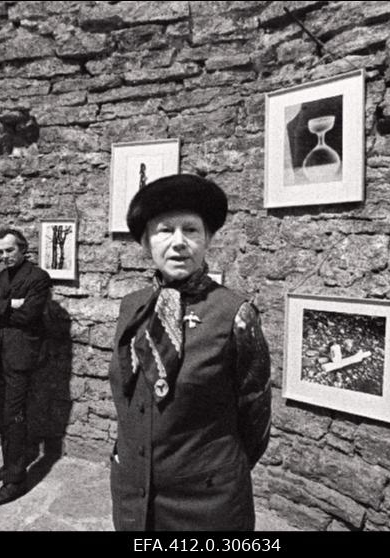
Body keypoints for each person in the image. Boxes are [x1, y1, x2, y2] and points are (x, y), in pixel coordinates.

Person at [109, 174, 272, 531]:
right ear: (145, 241)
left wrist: (215, 470)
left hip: (208, 503)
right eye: (165, 230)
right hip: (134, 493)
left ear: (208, 239)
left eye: (191, 230)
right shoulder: (131, 307)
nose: (178, 243)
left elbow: (255, 418)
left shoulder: (235, 314)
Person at [0, 228, 52, 507]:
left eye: (9, 250)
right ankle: (11, 465)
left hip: (20, 356)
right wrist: (11, 304)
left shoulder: (38, 278)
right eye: (0, 251)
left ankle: (16, 480)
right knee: (1, 415)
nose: (4, 256)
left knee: (14, 416)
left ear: (23, 249)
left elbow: (29, 315)